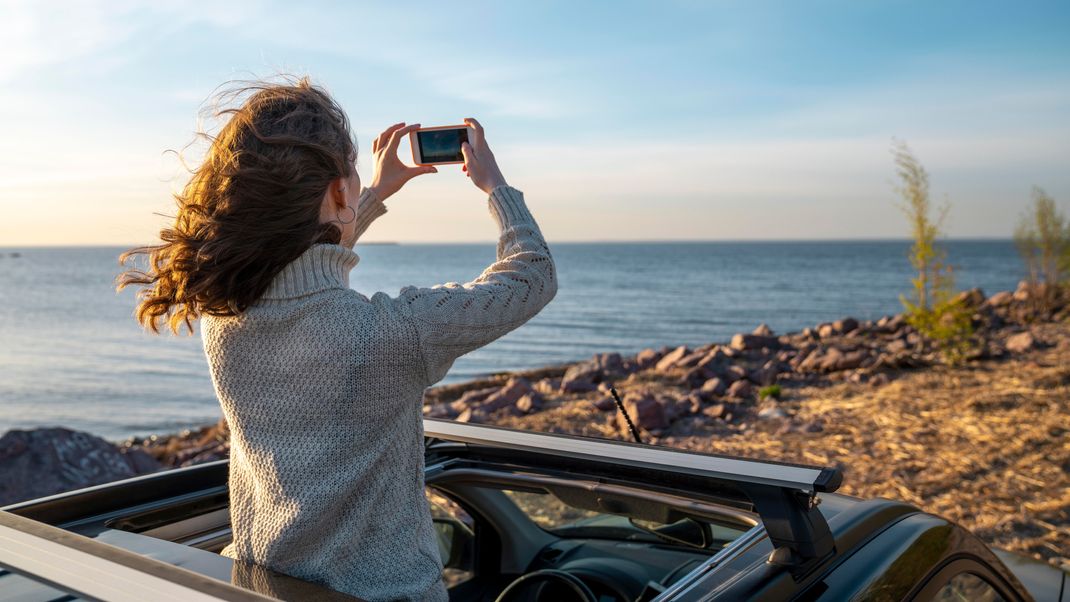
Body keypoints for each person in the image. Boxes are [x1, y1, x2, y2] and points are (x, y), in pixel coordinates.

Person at [117, 77, 557, 601]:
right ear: (334, 191)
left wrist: (370, 192)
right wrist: (497, 189)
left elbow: (293, 265)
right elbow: (532, 275)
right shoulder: (388, 334)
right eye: (349, 171)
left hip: (261, 588)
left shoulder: (225, 316)